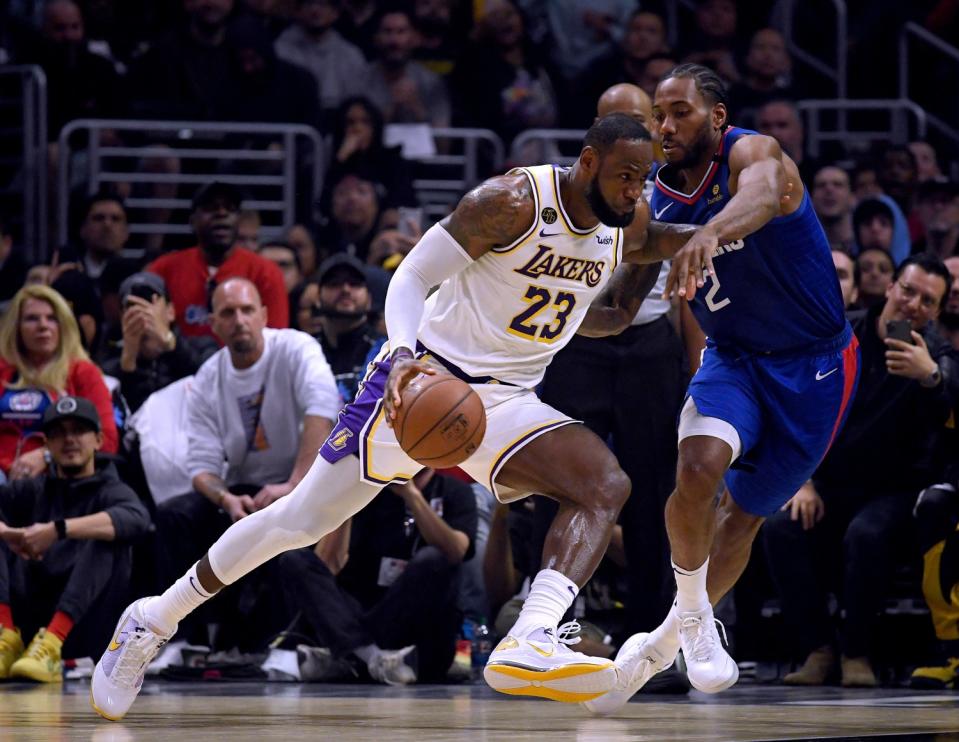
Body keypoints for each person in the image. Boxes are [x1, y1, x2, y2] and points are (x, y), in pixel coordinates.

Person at [91, 112, 693, 720]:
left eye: (643, 179)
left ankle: (529, 637)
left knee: (604, 484)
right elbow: (412, 275)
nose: (633, 190)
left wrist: (724, 233)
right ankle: (152, 618)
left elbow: (658, 241)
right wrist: (403, 354)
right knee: (298, 521)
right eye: (623, 175)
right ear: (587, 162)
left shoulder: (624, 219)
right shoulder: (512, 201)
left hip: (508, 400)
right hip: (425, 382)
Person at [584, 63, 859, 713]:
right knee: (698, 465)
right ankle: (694, 617)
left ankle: (665, 642)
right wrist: (550, 323)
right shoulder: (649, 205)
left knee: (742, 518)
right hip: (733, 358)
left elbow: (759, 197)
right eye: (658, 114)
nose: (665, 125)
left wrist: (709, 233)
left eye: (679, 111)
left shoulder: (755, 154)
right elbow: (621, 310)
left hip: (814, 367)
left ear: (714, 116)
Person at [764, 254, 956, 687]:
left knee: (866, 533)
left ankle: (857, 653)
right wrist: (805, 480)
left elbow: (952, 395)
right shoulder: (840, 333)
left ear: (937, 312)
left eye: (928, 301)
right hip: (828, 483)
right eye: (908, 291)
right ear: (890, 288)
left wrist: (930, 378)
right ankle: (818, 650)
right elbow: (796, 406)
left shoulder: (936, 353)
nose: (913, 305)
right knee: (780, 526)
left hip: (896, 493)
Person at [148, 278, 339, 655]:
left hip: (301, 481)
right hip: (241, 491)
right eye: (228, 313)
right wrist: (226, 500)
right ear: (214, 324)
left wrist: (293, 484)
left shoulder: (297, 348)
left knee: (295, 526)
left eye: (247, 310)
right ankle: (189, 638)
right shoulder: (208, 377)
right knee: (175, 517)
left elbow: (323, 410)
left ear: (264, 315)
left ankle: (286, 646)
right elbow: (200, 467)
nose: (239, 320)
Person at [275, 467, 477, 684]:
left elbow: (457, 550)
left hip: (419, 632)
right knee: (295, 559)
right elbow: (328, 566)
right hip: (365, 616)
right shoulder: (368, 494)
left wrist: (412, 495)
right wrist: (348, 501)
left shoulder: (456, 491)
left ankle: (349, 659)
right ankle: (371, 657)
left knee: (433, 559)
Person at [0, 397, 150, 681]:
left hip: (85, 627)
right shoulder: (31, 490)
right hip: (30, 626)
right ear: (47, 444)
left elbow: (137, 519)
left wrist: (57, 530)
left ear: (98, 439)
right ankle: (4, 636)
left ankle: (54, 641)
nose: (69, 440)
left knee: (110, 536)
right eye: (58, 433)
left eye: (78, 430)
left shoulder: (113, 488)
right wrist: (7, 533)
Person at [0, 286, 119, 482]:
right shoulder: (3, 371)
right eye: (32, 319)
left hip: (61, 477)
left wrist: (48, 456)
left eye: (52, 318)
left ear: (64, 325)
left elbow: (106, 440)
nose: (43, 325)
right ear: (16, 327)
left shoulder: (83, 372)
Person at [145, 182, 289, 340]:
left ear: (239, 221)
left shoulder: (265, 272)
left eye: (230, 208)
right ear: (192, 220)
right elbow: (148, 334)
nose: (221, 213)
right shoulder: (164, 269)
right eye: (210, 208)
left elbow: (276, 340)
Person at [100, 273, 217, 413]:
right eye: (132, 305)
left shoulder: (202, 347)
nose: (142, 311)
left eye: (150, 301)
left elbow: (211, 386)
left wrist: (169, 342)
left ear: (171, 312)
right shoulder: (109, 361)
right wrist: (128, 360)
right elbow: (116, 414)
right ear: (122, 317)